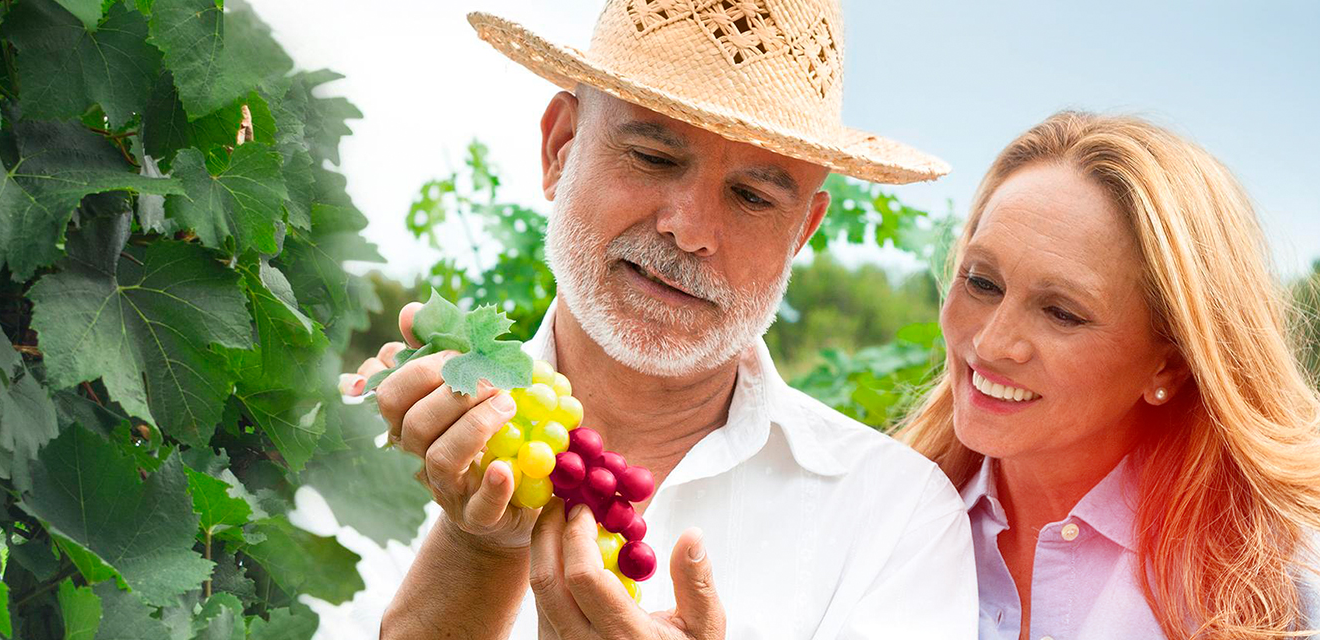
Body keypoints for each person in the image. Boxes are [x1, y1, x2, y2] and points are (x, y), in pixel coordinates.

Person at [343, 1, 977, 637]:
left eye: (753, 197)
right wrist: (476, 549)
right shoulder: (363, 445)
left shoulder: (899, 517)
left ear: (801, 232)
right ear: (559, 150)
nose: (691, 229)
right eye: (652, 157)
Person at [894, 111, 1320, 639]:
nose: (991, 342)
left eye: (1061, 313)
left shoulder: (1285, 579)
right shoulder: (884, 517)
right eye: (982, 282)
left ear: (1170, 361)